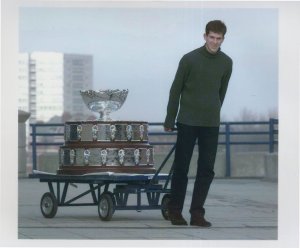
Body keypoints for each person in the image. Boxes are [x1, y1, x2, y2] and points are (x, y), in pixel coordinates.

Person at [164, 20, 233, 227]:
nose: (214, 42)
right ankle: (175, 211)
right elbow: (175, 90)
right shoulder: (189, 59)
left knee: (206, 169)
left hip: (211, 123)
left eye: (218, 39)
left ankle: (197, 213)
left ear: (223, 39)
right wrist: (170, 118)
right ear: (205, 36)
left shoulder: (226, 62)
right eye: (211, 37)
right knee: (182, 167)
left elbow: (221, 92)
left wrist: (212, 111)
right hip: (187, 121)